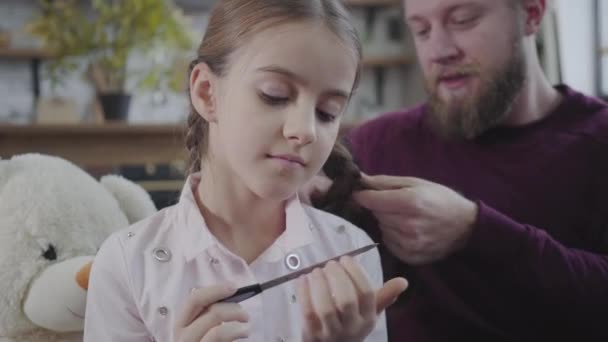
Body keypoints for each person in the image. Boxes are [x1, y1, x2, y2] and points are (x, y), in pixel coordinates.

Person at [83, 1, 408, 341]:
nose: (306, 130)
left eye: (328, 112)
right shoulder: (128, 263)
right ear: (206, 92)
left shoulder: (351, 253)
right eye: (275, 95)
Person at [306, 0, 608, 340]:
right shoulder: (376, 144)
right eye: (421, 30)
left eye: (463, 20)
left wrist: (474, 231)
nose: (439, 51)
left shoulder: (597, 142)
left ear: (532, 13)